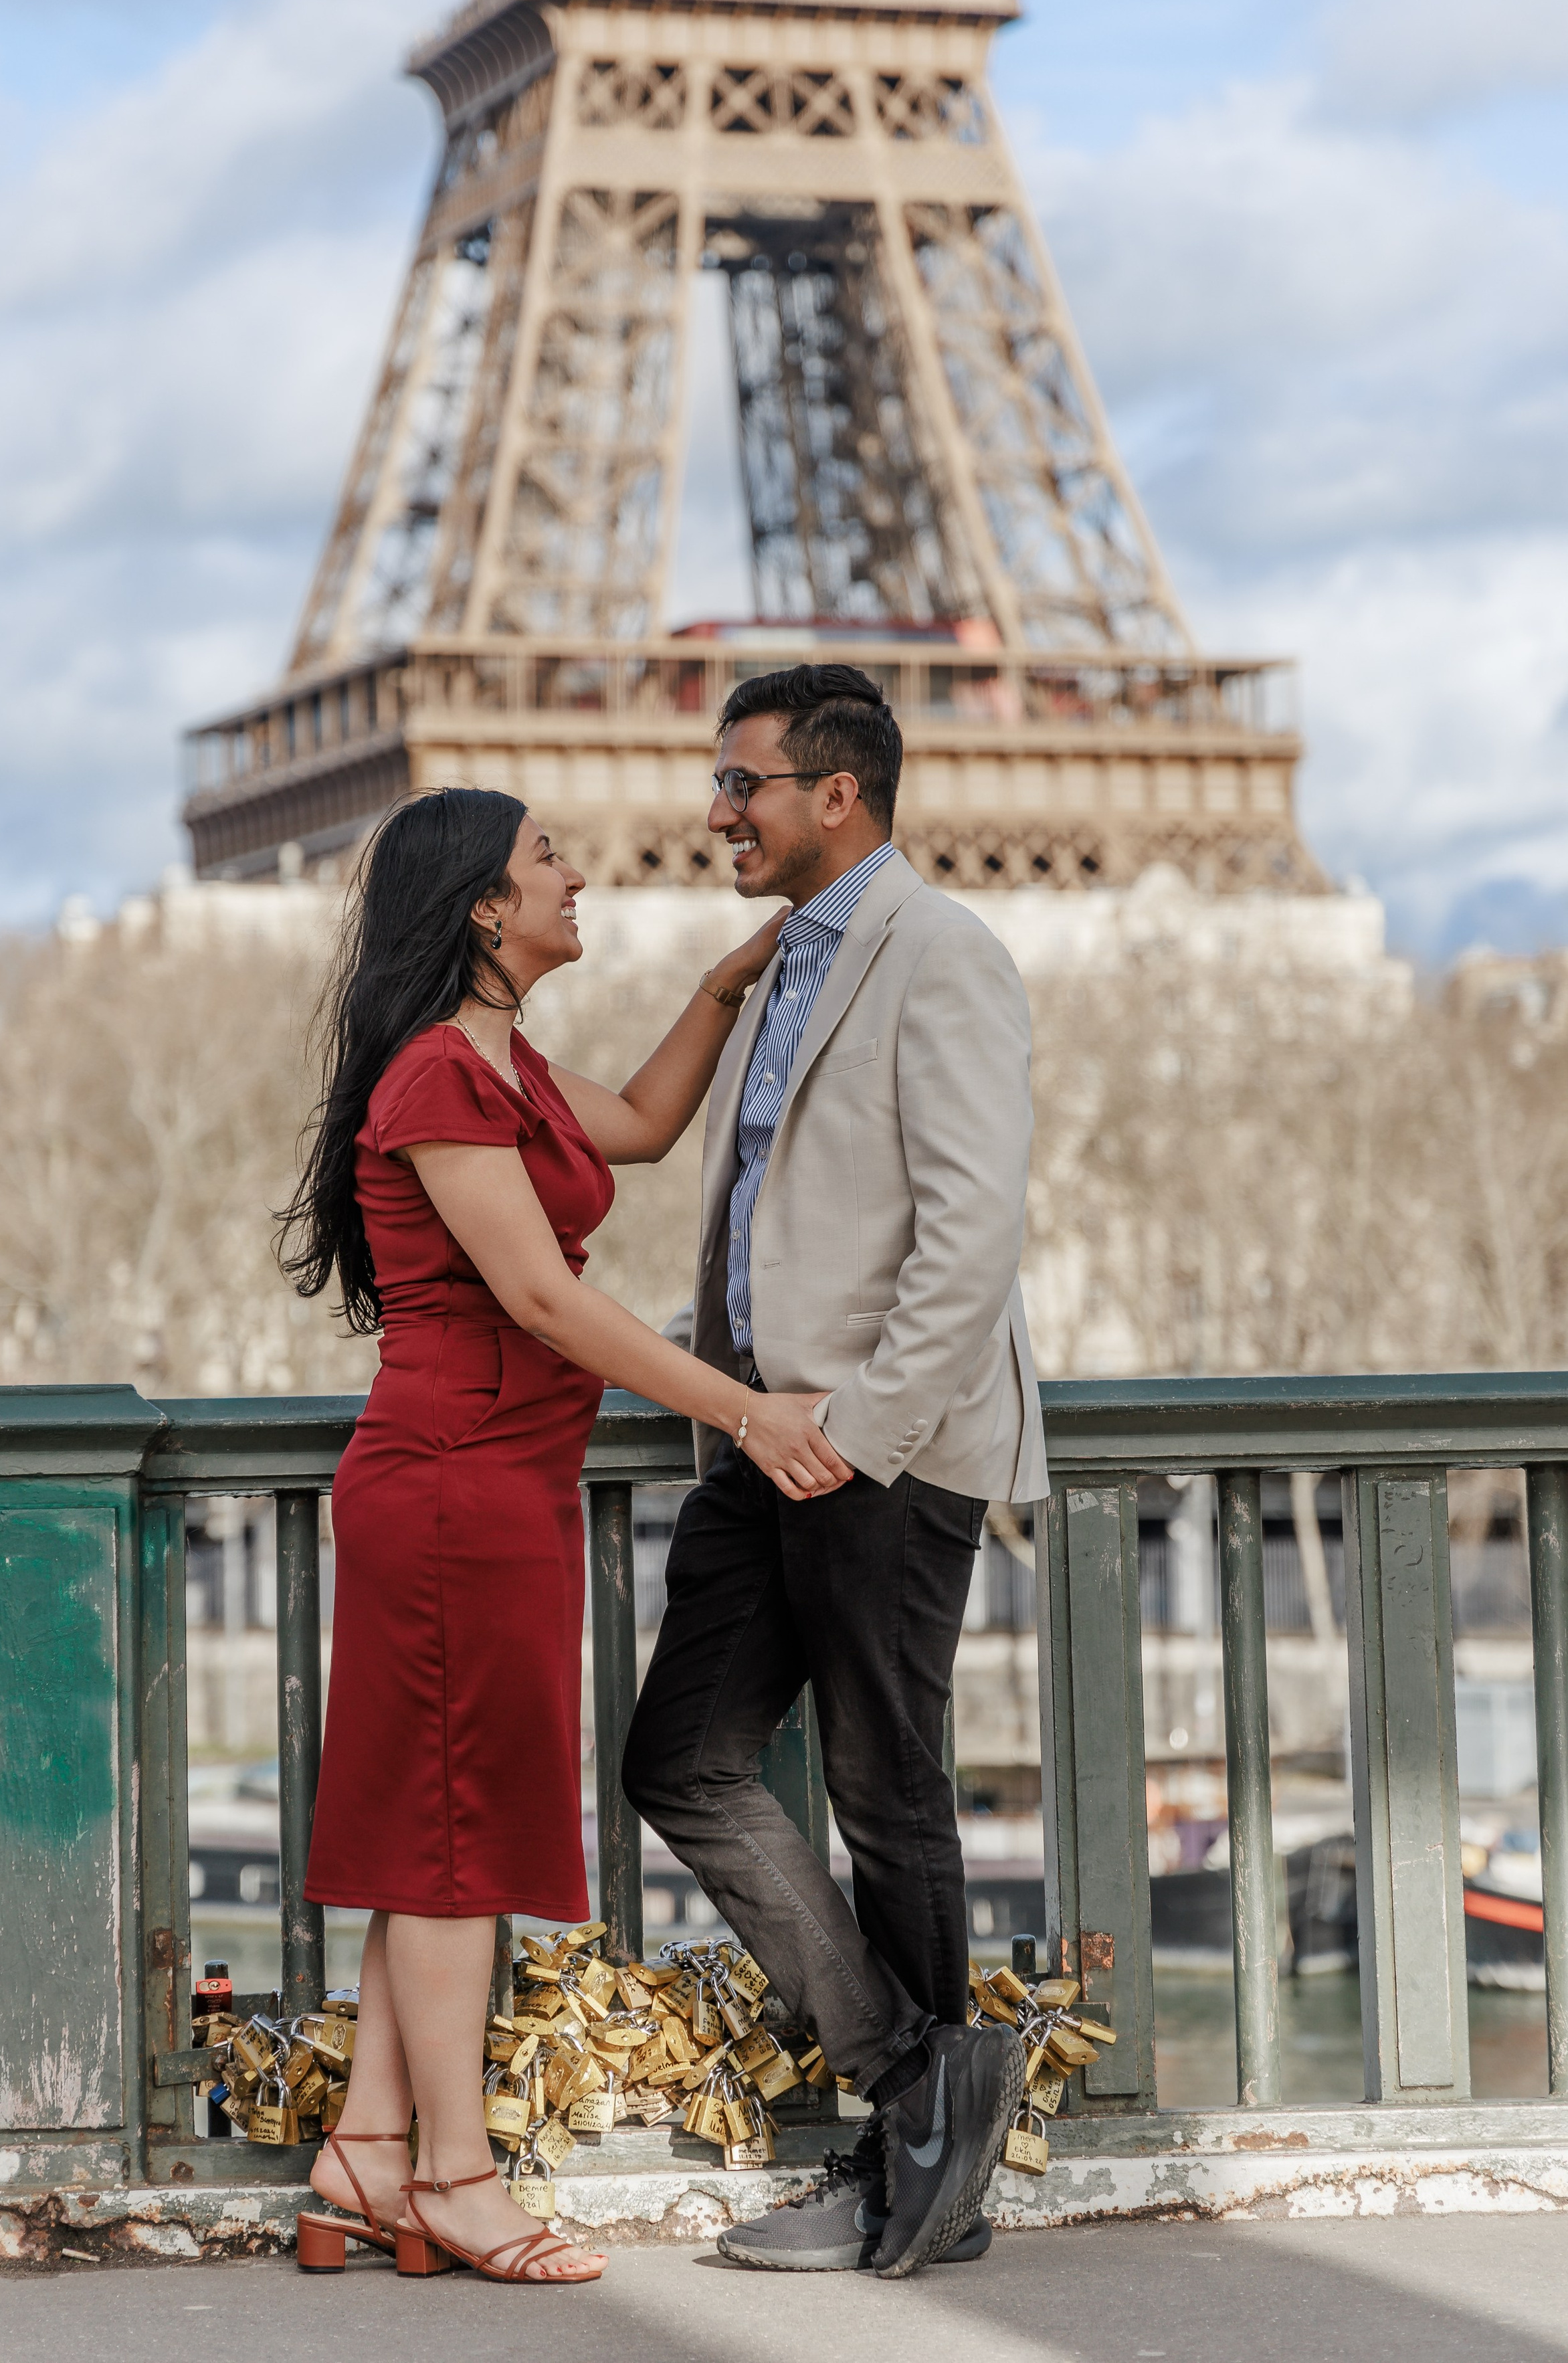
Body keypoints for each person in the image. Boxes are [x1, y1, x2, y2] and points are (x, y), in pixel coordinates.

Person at [277, 785, 849, 2287]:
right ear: (483, 903)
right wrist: (744, 1410)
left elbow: (650, 1127)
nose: (576, 876)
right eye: (548, 860)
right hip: (457, 1481)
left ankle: (364, 2153)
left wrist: (727, 985)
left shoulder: (503, 1066)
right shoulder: (439, 1082)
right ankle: (456, 2178)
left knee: (433, 1834)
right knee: (455, 1846)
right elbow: (541, 1298)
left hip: (498, 1484)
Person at [621, 662, 1048, 2281]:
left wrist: (851, 1433)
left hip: (876, 1445)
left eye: (741, 783)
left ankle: (908, 2181)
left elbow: (970, 1232)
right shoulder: (778, 963)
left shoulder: (939, 954)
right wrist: (711, 1380)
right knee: (681, 1763)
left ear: (835, 797)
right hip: (755, 1434)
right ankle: (921, 2086)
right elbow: (763, 1209)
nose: (715, 808)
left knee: (886, 1795)